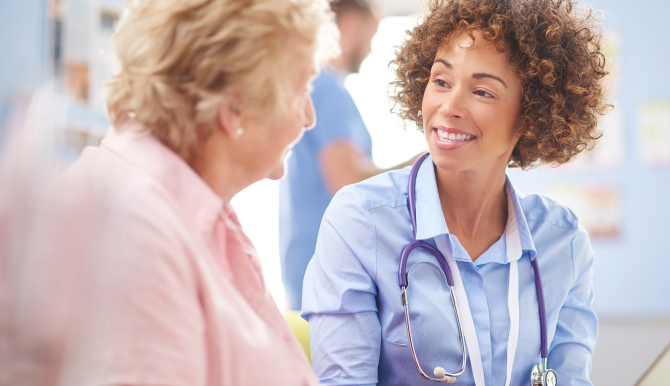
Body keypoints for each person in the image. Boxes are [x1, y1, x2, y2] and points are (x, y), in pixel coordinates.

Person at [1, 0, 337, 384]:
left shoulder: (191, 212)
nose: (309, 116)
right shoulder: (136, 227)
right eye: (300, 90)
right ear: (235, 108)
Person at [301, 0, 611, 385]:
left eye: (481, 91)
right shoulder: (361, 220)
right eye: (441, 81)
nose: (449, 106)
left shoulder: (562, 241)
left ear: (531, 115)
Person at [280, 0, 418, 311]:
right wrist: (414, 168)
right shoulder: (329, 91)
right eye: (372, 35)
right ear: (353, 26)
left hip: (306, 273)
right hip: (327, 281)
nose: (370, 49)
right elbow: (346, 181)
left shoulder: (315, 87)